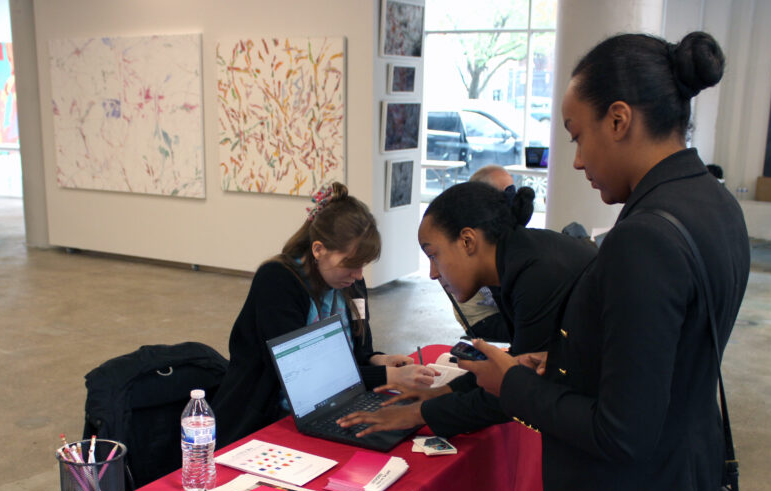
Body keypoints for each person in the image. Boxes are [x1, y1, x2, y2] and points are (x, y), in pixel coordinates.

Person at [457, 31, 749, 491]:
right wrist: (564, 369)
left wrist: (513, 384)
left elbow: (621, 430)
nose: (578, 159)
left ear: (619, 119)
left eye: (578, 134)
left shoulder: (643, 237)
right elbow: (667, 360)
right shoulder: (714, 204)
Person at [335, 181, 596, 441]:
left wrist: (418, 414)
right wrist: (442, 391)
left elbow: (517, 388)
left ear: (468, 241)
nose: (433, 273)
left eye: (434, 256)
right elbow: (517, 365)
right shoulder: (515, 259)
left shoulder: (535, 275)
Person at [211, 182, 435, 448]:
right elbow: (305, 378)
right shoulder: (277, 281)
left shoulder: (350, 283)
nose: (358, 275)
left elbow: (360, 351)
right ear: (318, 250)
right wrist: (389, 378)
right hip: (266, 413)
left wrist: (380, 360)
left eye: (363, 265)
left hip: (334, 403)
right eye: (351, 264)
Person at [450, 164, 519, 343]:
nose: (512, 199)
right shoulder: (473, 234)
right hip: (485, 319)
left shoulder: (492, 228)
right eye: (505, 193)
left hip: (501, 311)